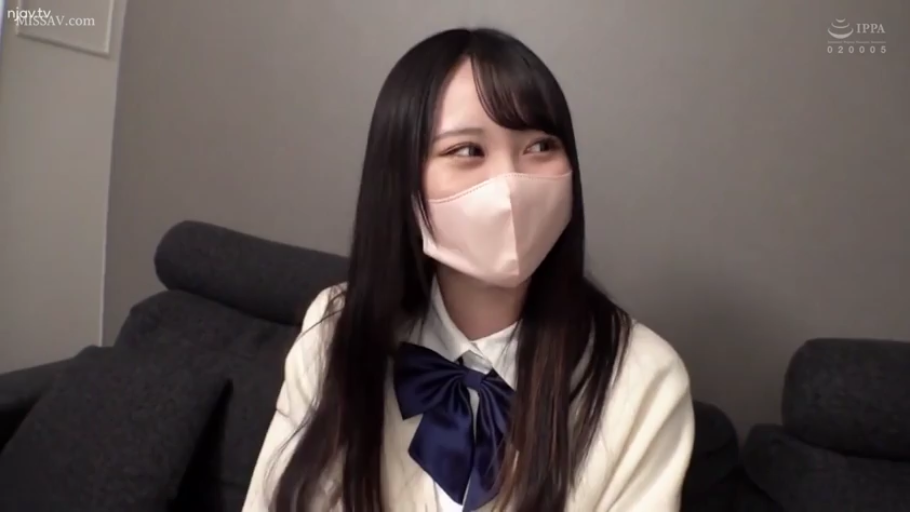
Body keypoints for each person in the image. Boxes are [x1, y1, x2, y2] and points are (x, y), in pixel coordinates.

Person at [241, 27, 694, 512]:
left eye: (540, 146)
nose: (510, 183)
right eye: (467, 151)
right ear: (401, 182)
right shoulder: (337, 329)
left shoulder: (644, 379)